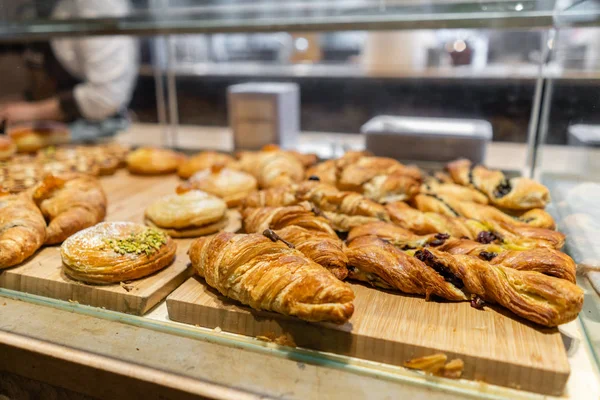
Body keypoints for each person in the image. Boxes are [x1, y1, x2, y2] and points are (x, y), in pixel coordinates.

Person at [0, 0, 138, 140]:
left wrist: (33, 111)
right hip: (52, 131)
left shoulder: (97, 5)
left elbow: (106, 97)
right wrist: (18, 104)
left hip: (98, 135)